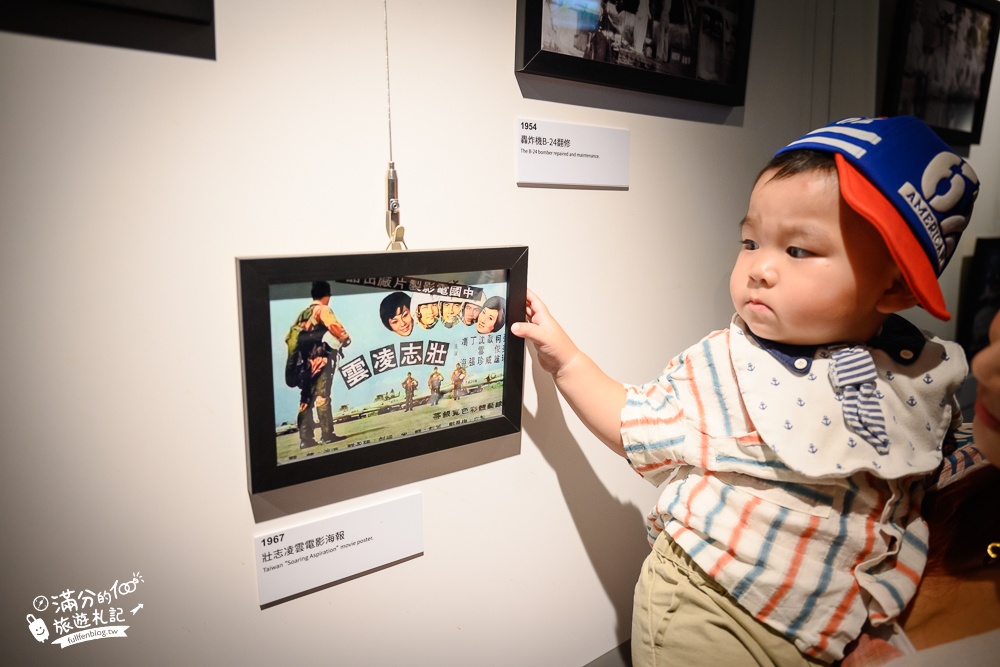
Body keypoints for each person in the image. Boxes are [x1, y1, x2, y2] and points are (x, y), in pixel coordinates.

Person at [512, 116, 983, 665]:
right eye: (751, 241)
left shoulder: (920, 368)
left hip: (824, 627)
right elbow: (631, 420)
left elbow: (937, 461)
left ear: (896, 285)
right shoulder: (730, 363)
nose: (759, 268)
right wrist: (567, 360)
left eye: (798, 251)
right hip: (710, 605)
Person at [288, 281, 351, 449]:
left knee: (306, 400)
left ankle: (305, 439)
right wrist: (345, 339)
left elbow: (292, 339)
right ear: (327, 295)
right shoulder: (323, 309)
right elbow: (334, 326)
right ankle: (327, 434)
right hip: (320, 360)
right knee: (322, 397)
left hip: (304, 364)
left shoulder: (304, 314)